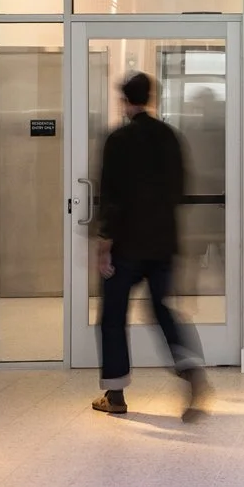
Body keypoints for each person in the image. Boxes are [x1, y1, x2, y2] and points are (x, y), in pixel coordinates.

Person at [92, 72, 212, 420]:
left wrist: (104, 245)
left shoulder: (118, 140)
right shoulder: (170, 137)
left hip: (126, 244)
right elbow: (179, 189)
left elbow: (112, 197)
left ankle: (115, 394)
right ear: (150, 98)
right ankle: (190, 369)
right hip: (163, 242)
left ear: (124, 101)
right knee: (162, 309)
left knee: (113, 316)